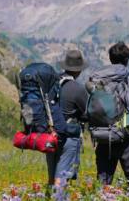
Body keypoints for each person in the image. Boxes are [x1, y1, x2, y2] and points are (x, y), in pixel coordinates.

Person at [93, 42, 129, 188]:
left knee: (103, 183)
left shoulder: (99, 82)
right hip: (127, 137)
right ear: (127, 59)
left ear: (110, 59)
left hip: (104, 136)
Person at [46, 50, 89, 188]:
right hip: (69, 137)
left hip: (50, 135)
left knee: (52, 178)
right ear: (78, 71)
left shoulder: (52, 83)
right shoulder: (78, 89)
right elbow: (86, 114)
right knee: (62, 178)